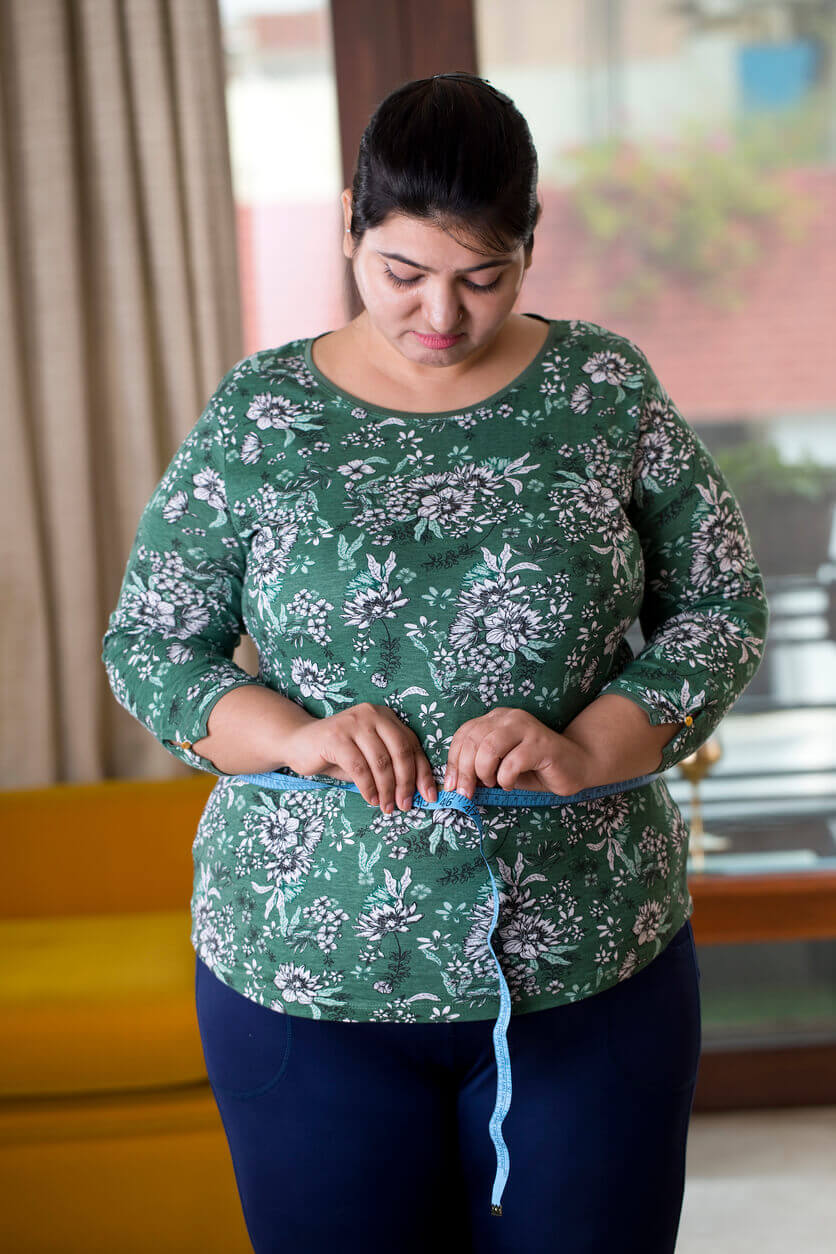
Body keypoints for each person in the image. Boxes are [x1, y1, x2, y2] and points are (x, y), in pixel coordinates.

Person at [101, 71, 769, 1254]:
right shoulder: (262, 411)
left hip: (587, 953)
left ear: (529, 244)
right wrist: (295, 737)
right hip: (303, 967)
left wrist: (586, 742)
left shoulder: (603, 389)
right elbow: (151, 643)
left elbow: (716, 605)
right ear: (350, 222)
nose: (440, 319)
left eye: (482, 277)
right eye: (401, 273)